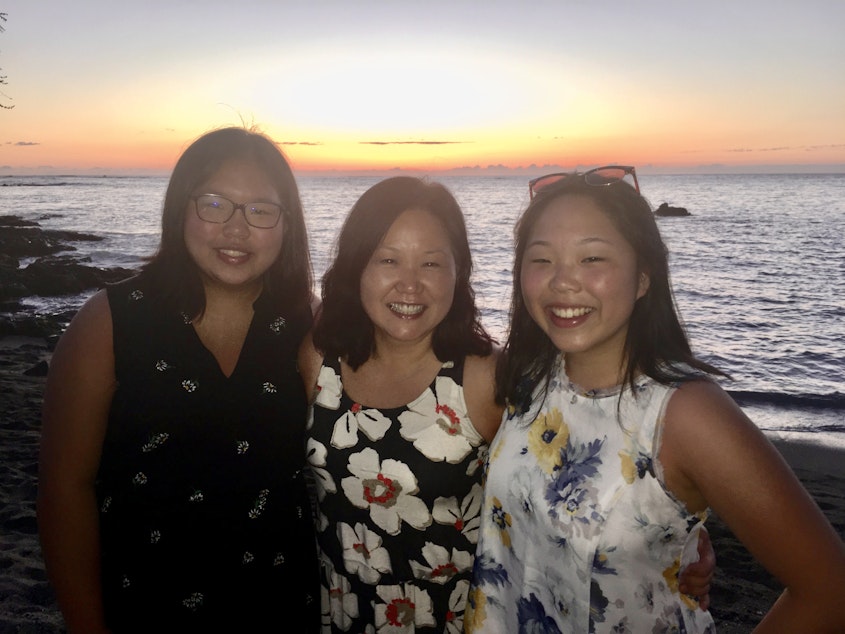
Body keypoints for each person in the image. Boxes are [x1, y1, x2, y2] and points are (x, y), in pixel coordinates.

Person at [298, 175, 715, 632]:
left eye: (432, 264)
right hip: (339, 612)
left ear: (460, 272)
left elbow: (590, 459)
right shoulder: (319, 360)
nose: (410, 285)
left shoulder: (489, 378)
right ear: (357, 266)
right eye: (387, 260)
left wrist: (680, 535)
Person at [464, 166, 845, 632]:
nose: (563, 282)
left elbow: (829, 589)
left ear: (644, 276)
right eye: (541, 260)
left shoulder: (686, 413)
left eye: (592, 259)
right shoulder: (527, 377)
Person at [37, 127, 320, 633]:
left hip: (279, 607)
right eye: (214, 204)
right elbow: (65, 488)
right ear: (180, 208)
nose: (237, 228)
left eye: (261, 209)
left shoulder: (315, 330)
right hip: (143, 607)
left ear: (287, 224)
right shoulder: (109, 324)